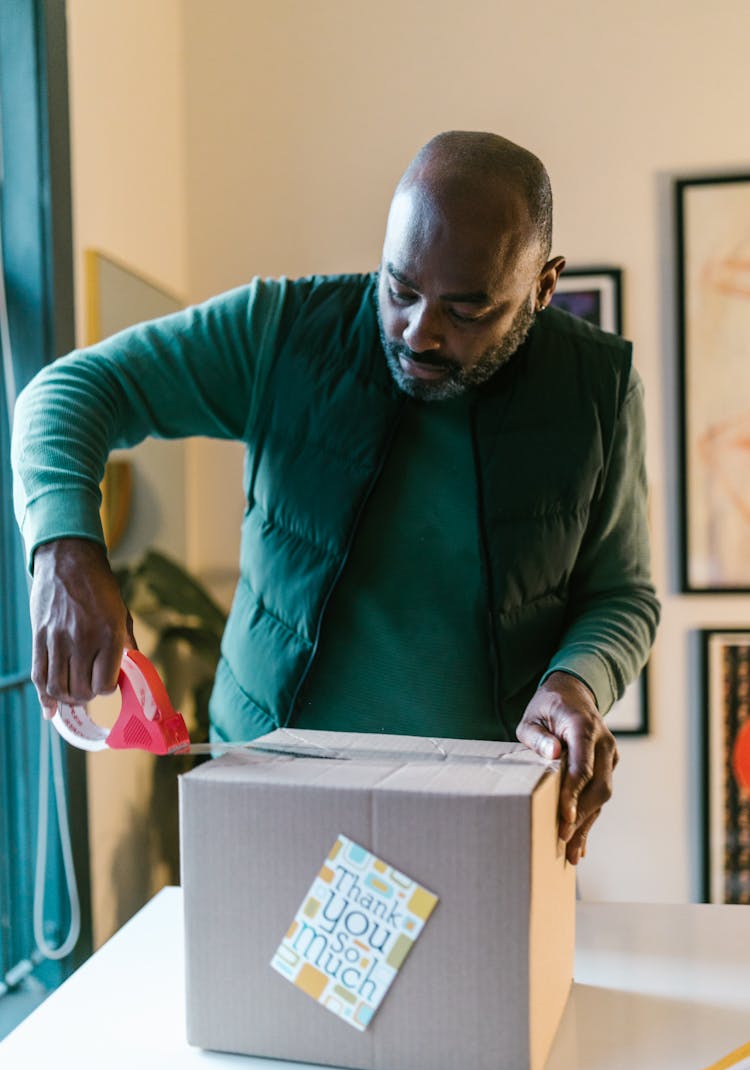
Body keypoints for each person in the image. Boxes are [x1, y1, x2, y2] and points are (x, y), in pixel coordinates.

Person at [11, 131, 660, 865]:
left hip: (486, 817)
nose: (420, 332)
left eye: (468, 310)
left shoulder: (599, 390)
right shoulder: (283, 334)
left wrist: (578, 680)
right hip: (268, 801)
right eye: (400, 288)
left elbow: (623, 594)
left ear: (543, 286)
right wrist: (64, 549)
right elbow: (64, 394)